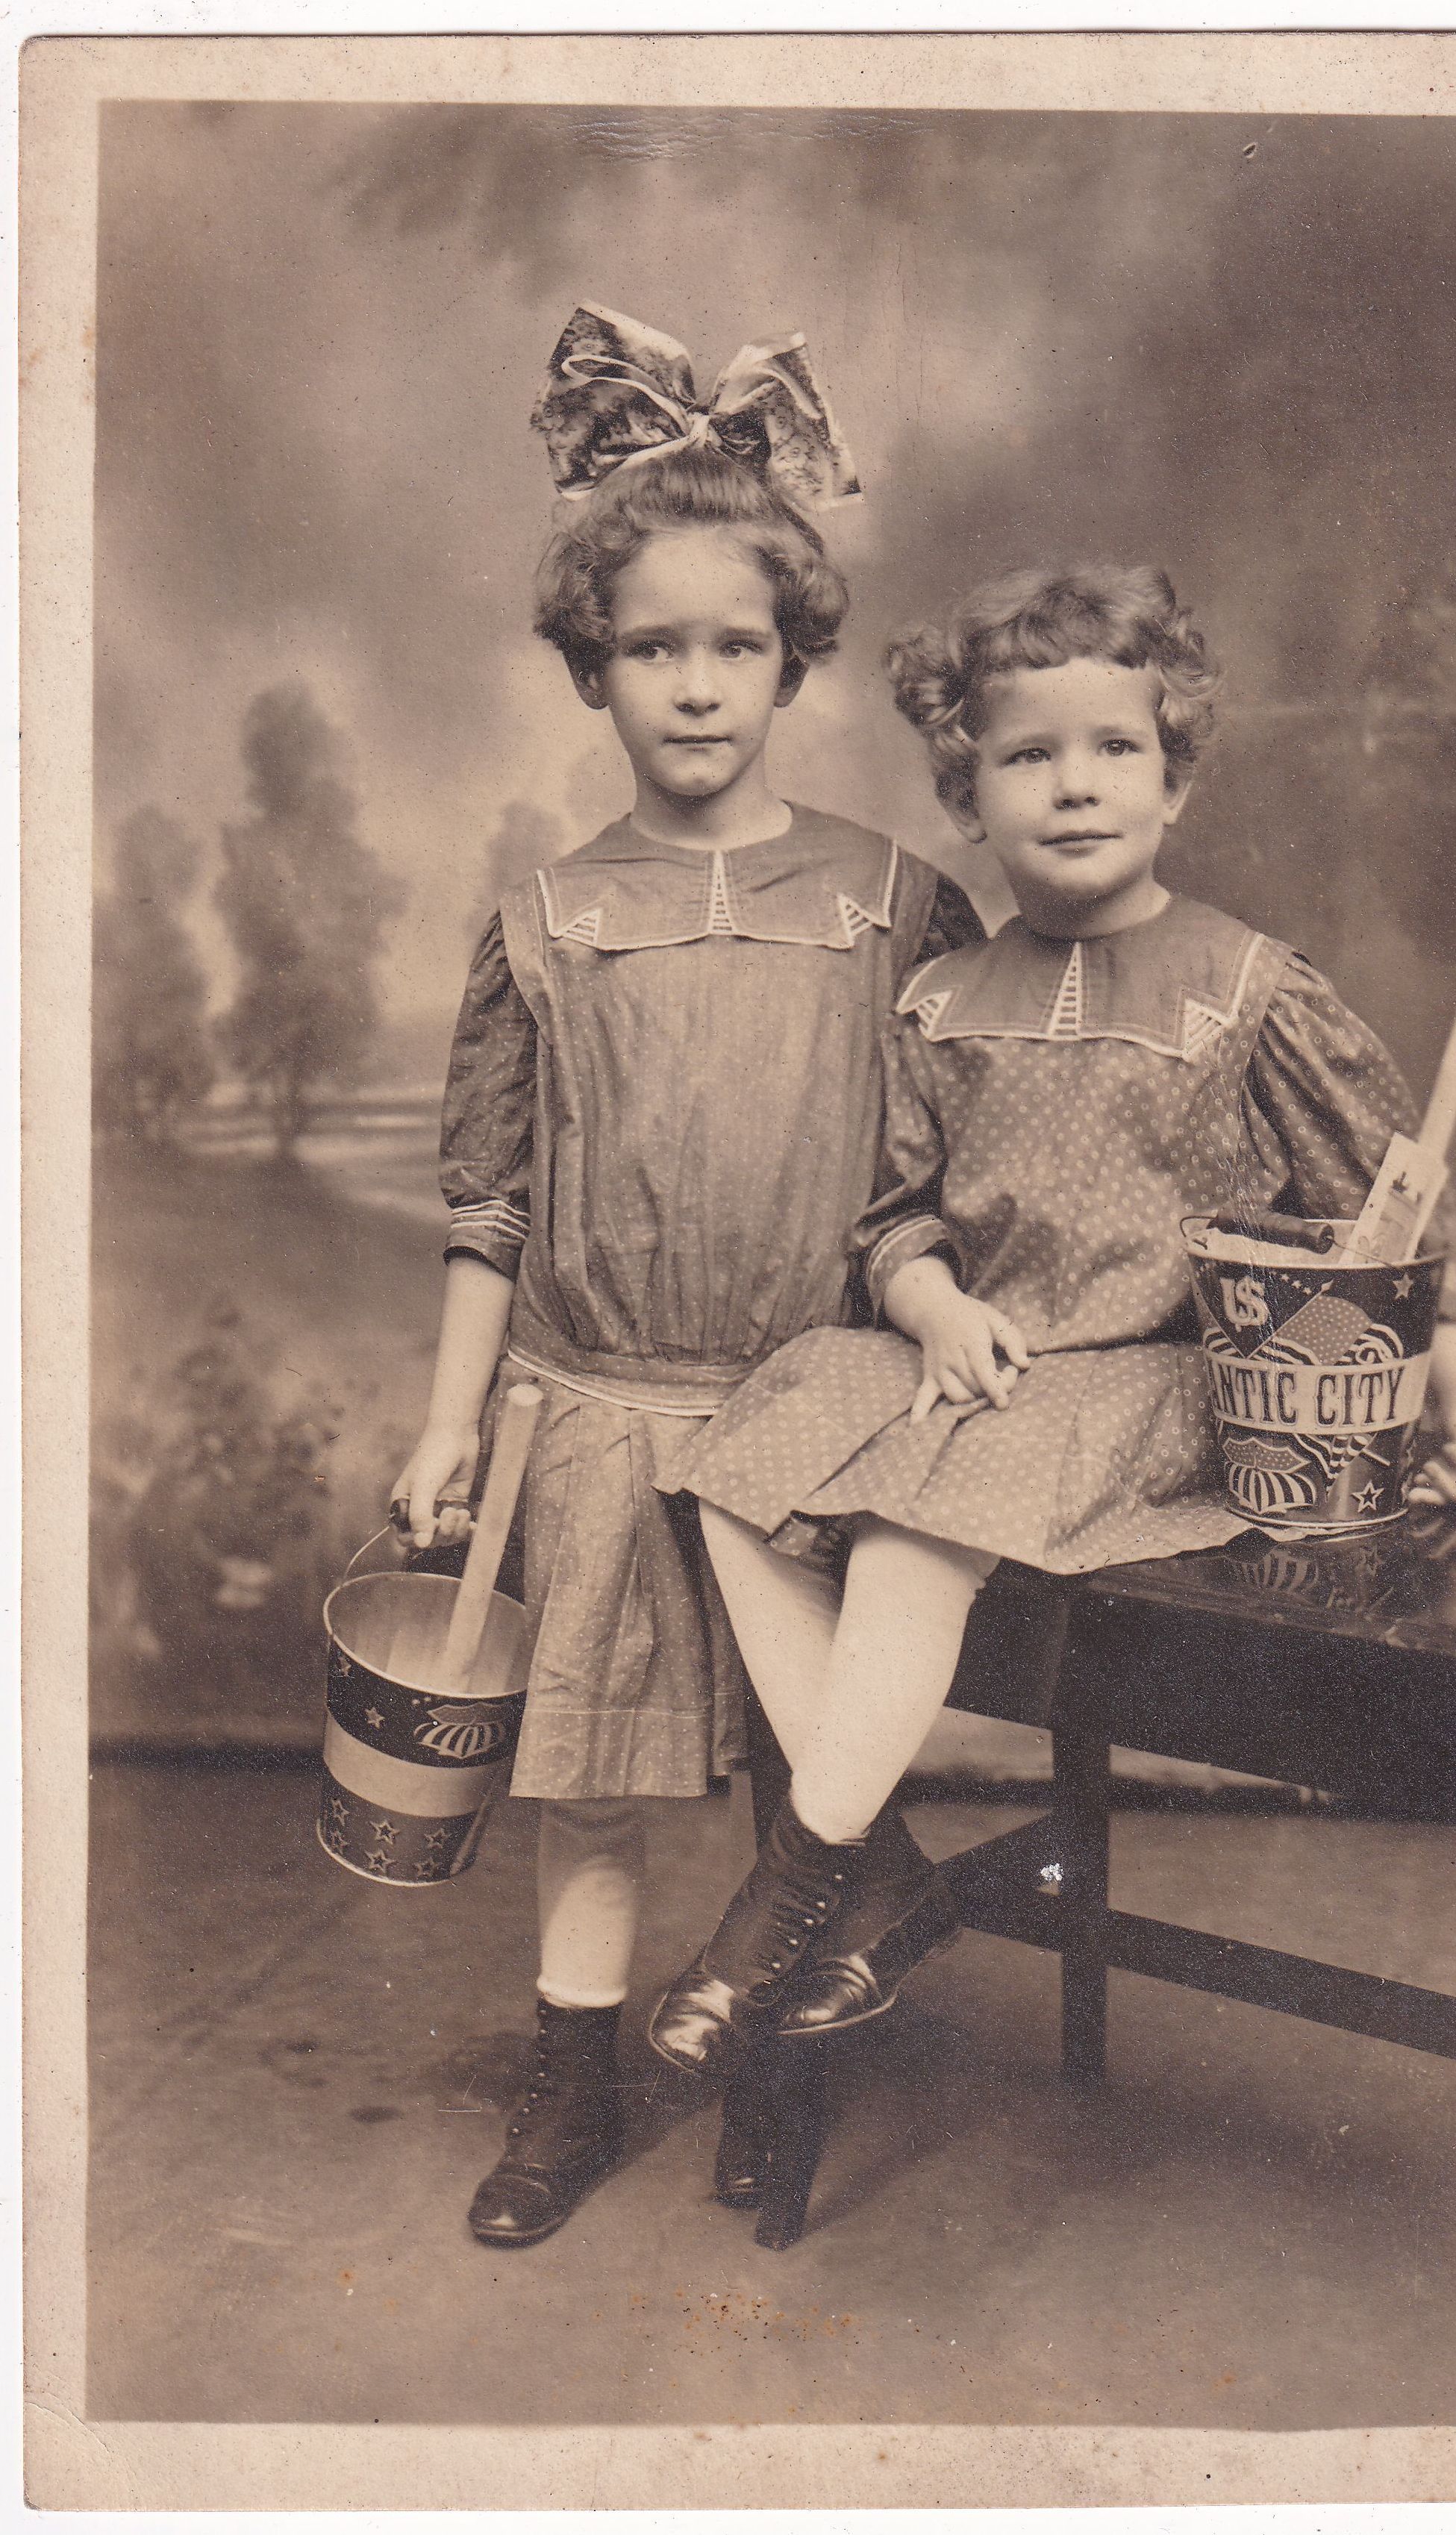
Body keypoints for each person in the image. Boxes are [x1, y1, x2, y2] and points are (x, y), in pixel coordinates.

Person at [650, 560, 1456, 2078]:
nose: (1071, 785)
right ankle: (875, 1867)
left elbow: (1394, 1227)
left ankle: (787, 1892)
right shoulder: (940, 1001)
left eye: (1113, 748)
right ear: (965, 794)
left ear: (1173, 780)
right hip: (982, 1363)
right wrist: (929, 1303)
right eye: (1025, 755)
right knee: (744, 1448)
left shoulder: (1245, 987)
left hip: (1159, 1384)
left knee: (916, 1523)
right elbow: (895, 1219)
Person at [388, 305, 980, 2249]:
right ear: (591, 664)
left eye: (735, 643)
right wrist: (450, 1422)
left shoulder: (893, 902)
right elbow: (489, 1200)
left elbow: (949, 1172)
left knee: (805, 1771)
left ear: (793, 654)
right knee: (595, 1776)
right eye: (653, 648)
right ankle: (573, 2076)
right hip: (597, 1400)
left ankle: (780, 2068)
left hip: (812, 1407)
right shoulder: (548, 919)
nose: (698, 683)